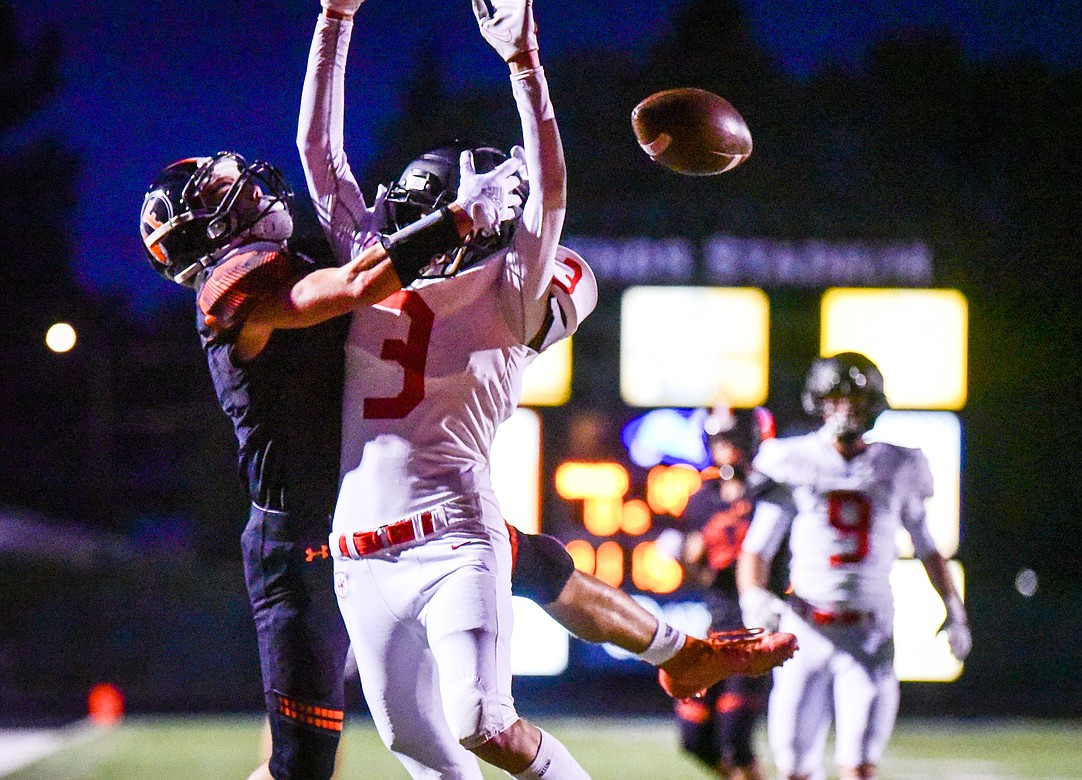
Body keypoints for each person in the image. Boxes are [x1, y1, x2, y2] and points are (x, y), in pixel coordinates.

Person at [298, 1, 796, 777]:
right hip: (357, 553)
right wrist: (335, 14)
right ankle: (675, 652)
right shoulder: (376, 266)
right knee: (415, 745)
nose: (411, 219)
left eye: (436, 210)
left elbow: (552, 195)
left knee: (484, 722)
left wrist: (526, 65)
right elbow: (318, 151)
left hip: (452, 538)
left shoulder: (511, 295)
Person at [140, 149, 525, 780]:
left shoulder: (299, 255)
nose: (243, 183)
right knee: (303, 766)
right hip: (298, 543)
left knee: (528, 560)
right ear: (206, 229)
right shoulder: (234, 293)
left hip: (380, 514)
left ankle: (670, 648)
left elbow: (329, 172)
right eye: (218, 187)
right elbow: (353, 286)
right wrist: (456, 218)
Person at [736, 352, 973, 780]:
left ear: (874, 405)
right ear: (818, 402)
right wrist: (753, 597)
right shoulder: (792, 458)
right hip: (804, 630)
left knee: (859, 769)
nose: (845, 407)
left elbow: (927, 547)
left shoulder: (899, 464)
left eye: (855, 399)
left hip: (869, 634)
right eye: (835, 397)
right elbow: (757, 548)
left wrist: (954, 610)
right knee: (794, 768)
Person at [665, 407, 779, 780]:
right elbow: (700, 577)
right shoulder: (703, 499)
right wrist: (689, 558)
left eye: (733, 441)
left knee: (736, 736)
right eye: (719, 442)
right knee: (694, 736)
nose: (726, 450)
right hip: (719, 627)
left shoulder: (771, 493)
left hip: (758, 627)